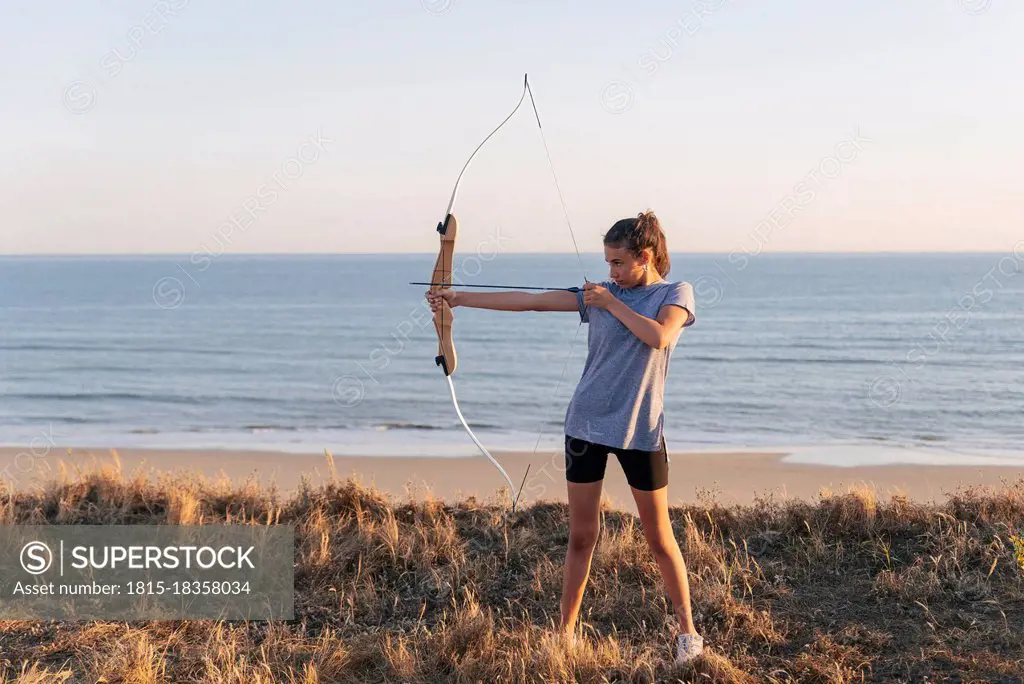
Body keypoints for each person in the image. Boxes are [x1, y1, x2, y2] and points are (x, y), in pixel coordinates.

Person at [425, 210, 703, 663]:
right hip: (587, 425)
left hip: (640, 430)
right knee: (581, 536)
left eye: (617, 263)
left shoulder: (674, 293)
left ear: (645, 257)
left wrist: (610, 303)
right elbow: (533, 300)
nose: (609, 272)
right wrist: (457, 298)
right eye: (607, 263)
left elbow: (660, 337)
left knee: (658, 537)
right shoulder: (601, 295)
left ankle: (688, 635)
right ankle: (566, 634)